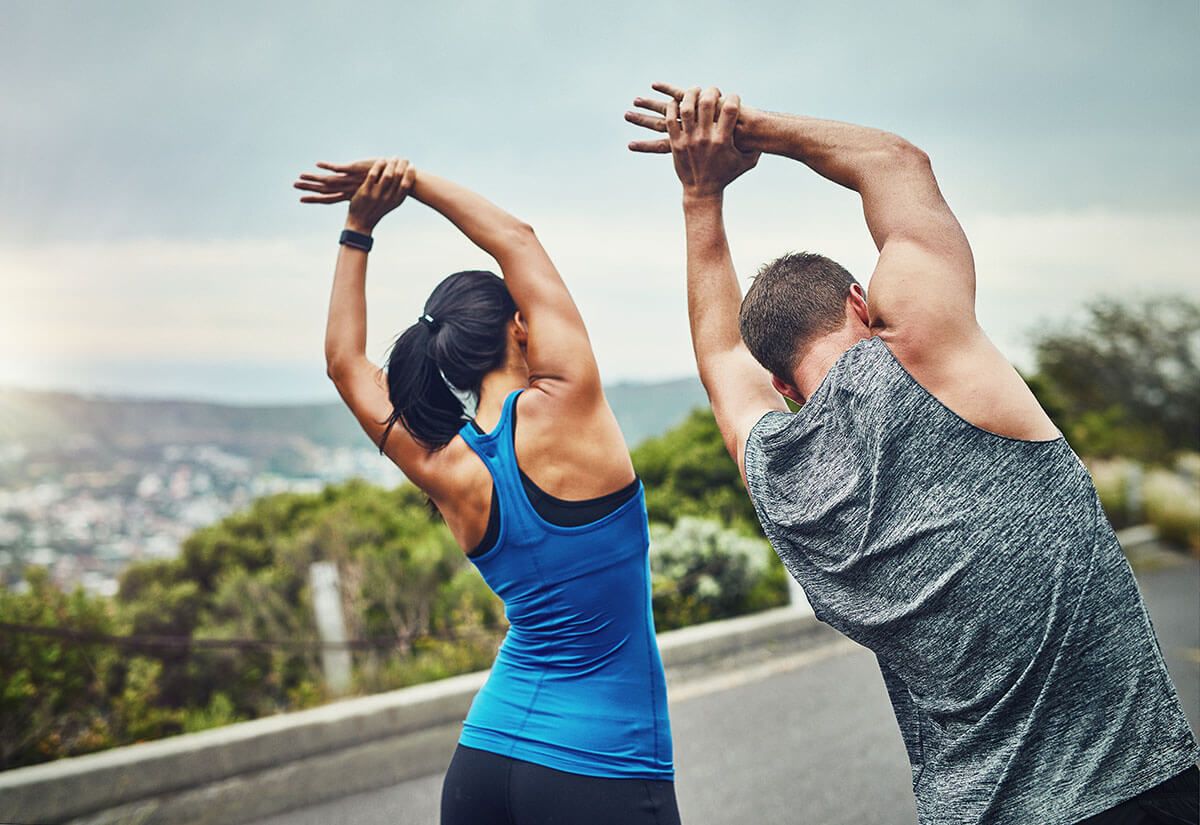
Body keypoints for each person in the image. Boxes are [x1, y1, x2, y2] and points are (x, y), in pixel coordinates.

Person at [626, 83, 1199, 825]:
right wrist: (746, 128)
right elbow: (897, 163)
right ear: (863, 303)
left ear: (779, 384)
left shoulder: (777, 472)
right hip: (1131, 794)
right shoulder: (927, 356)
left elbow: (717, 356)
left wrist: (700, 197)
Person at [293, 158, 680, 825]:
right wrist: (408, 180)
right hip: (603, 764)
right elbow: (517, 239)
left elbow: (345, 365)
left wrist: (360, 226)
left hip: (483, 764)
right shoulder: (568, 406)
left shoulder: (445, 464)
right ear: (519, 326)